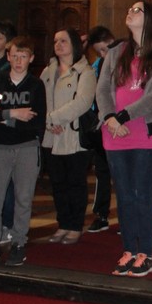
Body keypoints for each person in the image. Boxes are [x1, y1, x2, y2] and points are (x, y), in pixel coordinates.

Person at [96, 2, 152, 276]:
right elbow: (102, 89)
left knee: (142, 194)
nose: (130, 11)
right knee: (124, 195)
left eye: (137, 10)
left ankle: (146, 254)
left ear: (150, 18)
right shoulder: (116, 51)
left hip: (144, 135)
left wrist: (123, 116)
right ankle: (129, 249)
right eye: (129, 8)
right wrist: (109, 117)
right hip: (114, 134)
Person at [0, 37, 46, 267]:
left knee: (23, 197)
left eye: (23, 56)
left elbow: (36, 122)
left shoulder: (36, 85)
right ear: (8, 57)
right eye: (14, 56)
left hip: (27, 146)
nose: (18, 61)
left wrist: (3, 116)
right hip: (1, 146)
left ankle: (19, 243)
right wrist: (14, 114)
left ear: (31, 59)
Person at [41, 28, 96, 246]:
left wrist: (54, 118)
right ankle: (63, 223)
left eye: (63, 40)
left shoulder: (85, 72)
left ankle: (75, 225)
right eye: (56, 41)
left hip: (73, 136)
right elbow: (40, 100)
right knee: (57, 183)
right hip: (51, 135)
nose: (58, 44)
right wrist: (48, 122)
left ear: (74, 44)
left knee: (75, 183)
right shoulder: (48, 71)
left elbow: (82, 102)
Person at [85, 26, 115, 233]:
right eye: (99, 51)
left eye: (105, 49)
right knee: (102, 171)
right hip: (102, 123)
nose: (103, 54)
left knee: (123, 174)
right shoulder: (98, 65)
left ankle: (128, 215)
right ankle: (101, 214)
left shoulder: (125, 61)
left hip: (123, 124)